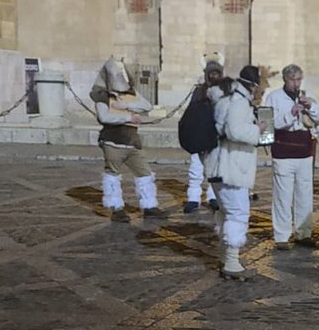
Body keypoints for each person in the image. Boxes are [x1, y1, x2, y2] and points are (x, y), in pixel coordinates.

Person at [205, 65, 266, 280]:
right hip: (230, 168)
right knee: (238, 213)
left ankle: (226, 257)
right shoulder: (238, 101)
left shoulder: (227, 97)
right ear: (253, 86)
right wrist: (257, 130)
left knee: (225, 212)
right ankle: (231, 262)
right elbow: (234, 130)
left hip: (220, 166)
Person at [90, 57, 167, 222]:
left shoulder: (130, 93)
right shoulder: (102, 95)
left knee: (144, 173)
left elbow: (146, 106)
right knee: (112, 176)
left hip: (132, 142)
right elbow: (105, 117)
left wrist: (125, 106)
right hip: (113, 142)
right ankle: (117, 209)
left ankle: (149, 206)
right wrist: (129, 117)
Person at [266, 64, 319, 249]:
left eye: (299, 79)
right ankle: (282, 236)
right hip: (283, 152)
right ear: (285, 80)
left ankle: (304, 233)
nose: (296, 83)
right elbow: (267, 123)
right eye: (293, 80)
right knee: (283, 196)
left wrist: (312, 107)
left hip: (305, 153)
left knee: (304, 194)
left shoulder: (306, 96)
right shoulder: (273, 98)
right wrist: (290, 113)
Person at [182, 57, 224, 214]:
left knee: (214, 170)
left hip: (214, 135)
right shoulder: (199, 91)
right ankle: (193, 198)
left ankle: (213, 196)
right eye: (211, 73)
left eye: (217, 73)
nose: (214, 76)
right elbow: (192, 112)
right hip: (199, 134)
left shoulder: (223, 91)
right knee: (196, 168)